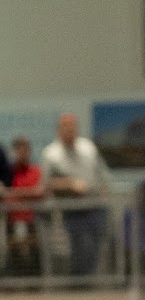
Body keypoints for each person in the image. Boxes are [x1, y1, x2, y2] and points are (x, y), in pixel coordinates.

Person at [40, 113, 111, 277]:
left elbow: (102, 175)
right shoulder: (51, 154)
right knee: (78, 244)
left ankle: (89, 278)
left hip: (94, 204)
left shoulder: (88, 148)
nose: (69, 131)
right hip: (71, 209)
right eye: (65, 127)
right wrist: (69, 184)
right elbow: (46, 184)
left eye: (72, 127)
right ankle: (79, 280)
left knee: (96, 242)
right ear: (59, 130)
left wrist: (103, 190)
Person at [4, 137, 44, 275]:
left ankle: (35, 280)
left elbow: (39, 193)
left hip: (32, 219)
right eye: (18, 150)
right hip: (12, 218)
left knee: (35, 252)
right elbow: (5, 195)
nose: (21, 153)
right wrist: (27, 194)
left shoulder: (36, 171)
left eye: (24, 150)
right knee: (13, 252)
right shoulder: (9, 173)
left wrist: (15, 193)